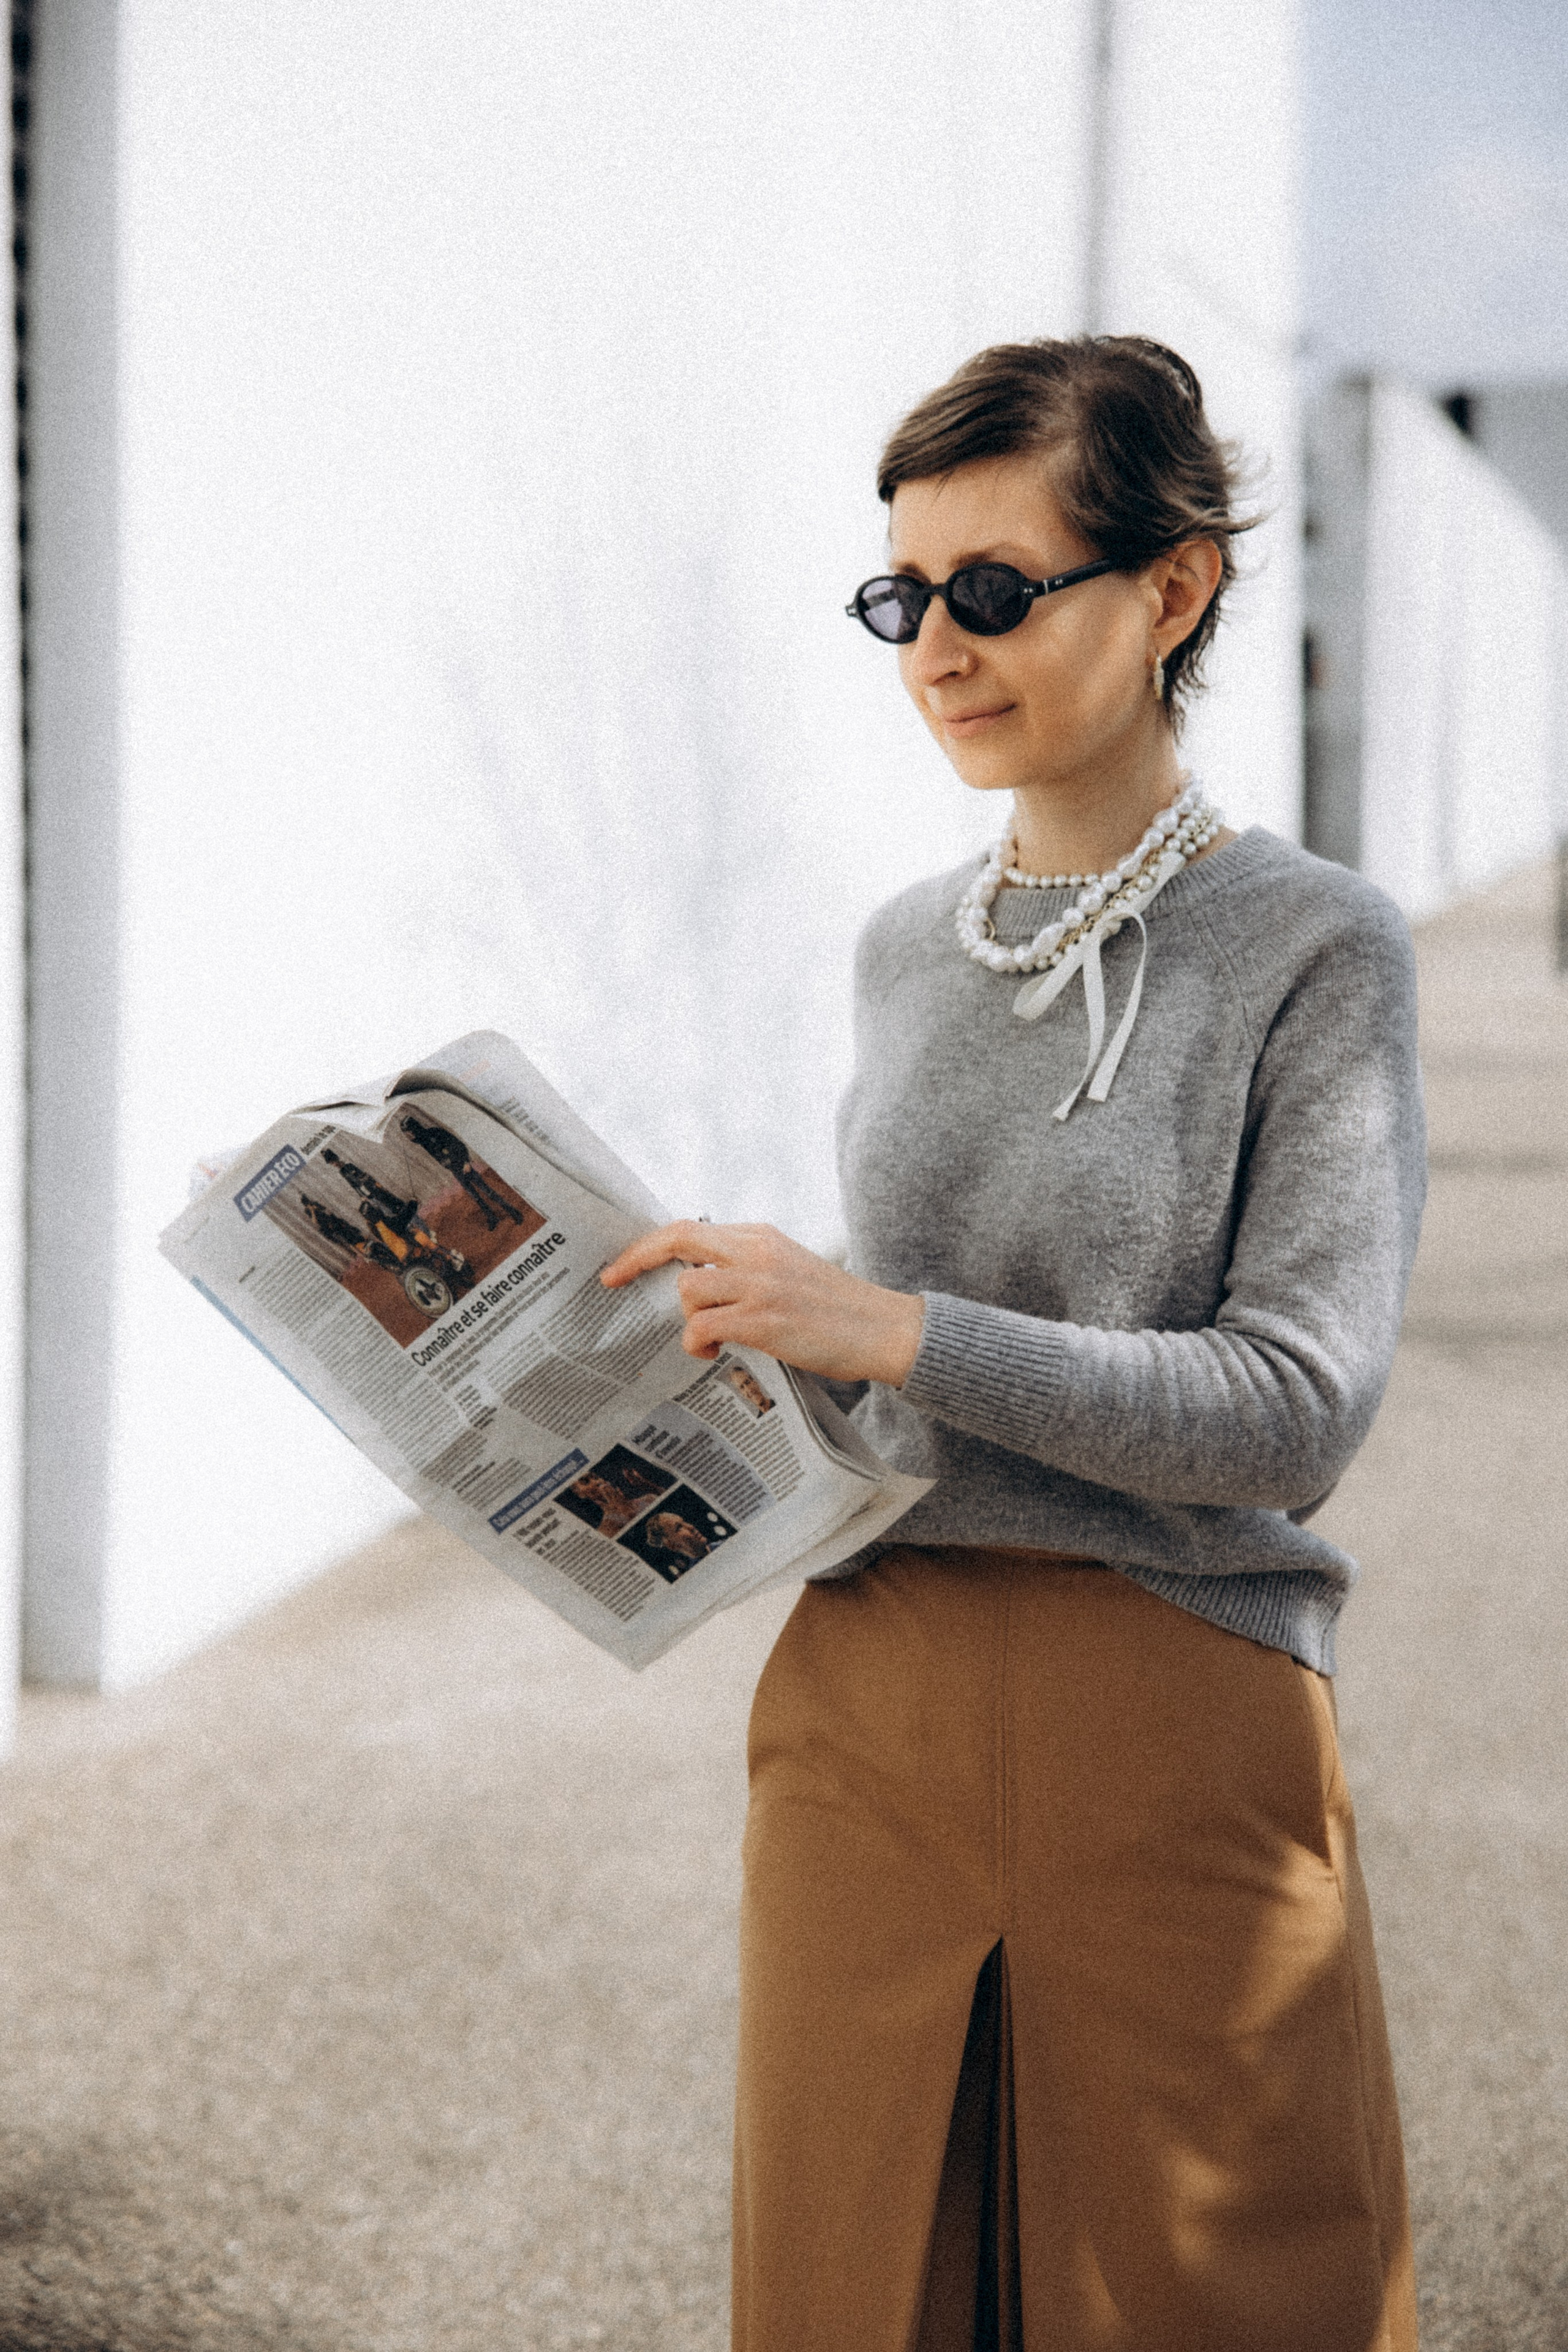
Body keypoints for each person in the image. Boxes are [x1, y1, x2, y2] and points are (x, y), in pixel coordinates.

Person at [602, 336, 1425, 2352]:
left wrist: (884, 1320)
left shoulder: (1316, 948)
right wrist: (716, 1353)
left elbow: (1291, 1409)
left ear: (1173, 590)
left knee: (1214, 2300)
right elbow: (897, 1374)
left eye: (994, 592)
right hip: (863, 1713)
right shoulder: (905, 947)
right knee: (850, 2283)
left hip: (1174, 1709)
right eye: (906, 599)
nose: (938, 650)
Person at [399, 1112, 525, 1231]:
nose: (409, 1136)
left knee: (488, 1192)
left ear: (414, 1129)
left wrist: (466, 1162)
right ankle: (492, 1218)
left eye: (409, 1132)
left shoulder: (435, 1133)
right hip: (456, 1171)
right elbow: (417, 1141)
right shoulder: (423, 1141)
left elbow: (458, 1145)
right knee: (475, 1196)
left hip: (465, 1167)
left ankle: (514, 1213)